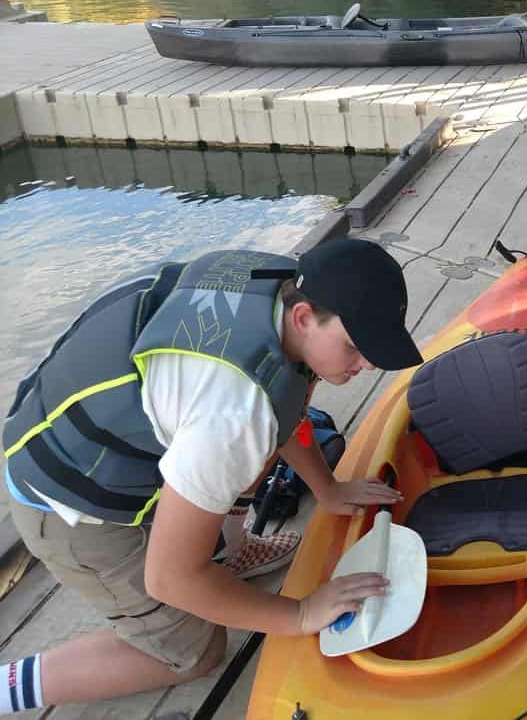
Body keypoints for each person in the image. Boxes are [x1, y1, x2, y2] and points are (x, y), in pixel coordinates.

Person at [1, 238, 423, 714]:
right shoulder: (233, 417)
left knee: (251, 457)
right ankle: (6, 687)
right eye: (354, 347)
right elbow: (169, 579)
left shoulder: (278, 280)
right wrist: (302, 612)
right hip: (71, 509)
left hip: (98, 435)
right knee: (194, 654)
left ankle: (230, 552)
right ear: (305, 317)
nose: (365, 365)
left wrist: (327, 489)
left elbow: (288, 404)